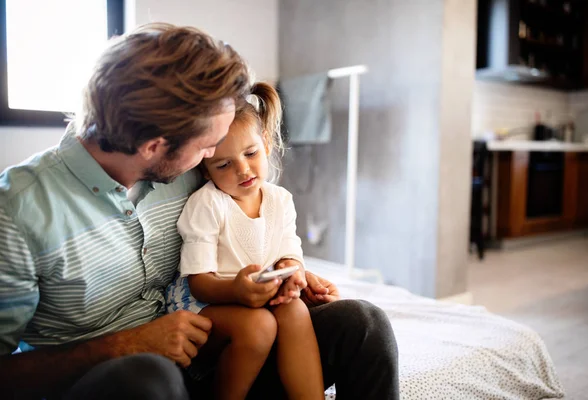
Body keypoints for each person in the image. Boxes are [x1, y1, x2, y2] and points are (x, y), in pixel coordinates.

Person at [0, 23, 399, 400]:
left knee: (363, 325)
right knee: (147, 380)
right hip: (121, 381)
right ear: (154, 146)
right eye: (208, 146)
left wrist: (283, 273)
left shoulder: (187, 172)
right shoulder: (17, 211)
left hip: (222, 357)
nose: (213, 157)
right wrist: (124, 345)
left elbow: (232, 235)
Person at [166, 81, 323, 399]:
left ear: (265, 143)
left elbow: (288, 250)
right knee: (259, 326)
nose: (242, 169)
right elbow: (199, 283)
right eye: (223, 164)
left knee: (295, 311)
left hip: (254, 297)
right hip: (205, 302)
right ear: (207, 170)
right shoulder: (207, 204)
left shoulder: (280, 199)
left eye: (250, 153)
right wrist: (236, 290)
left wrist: (293, 271)